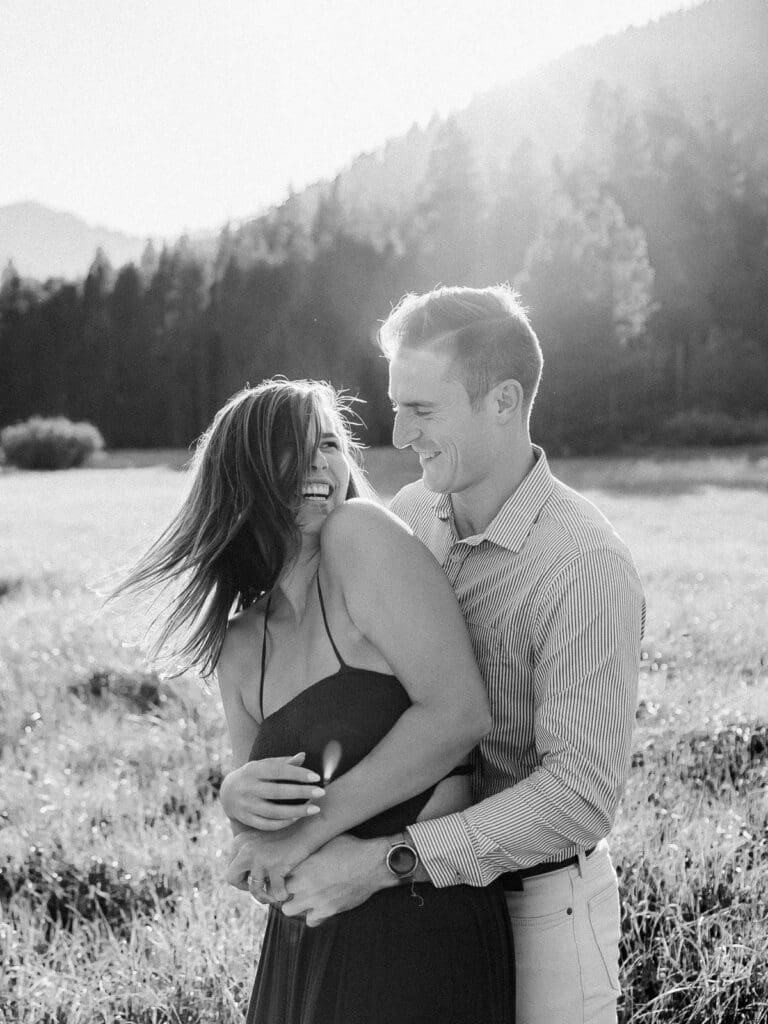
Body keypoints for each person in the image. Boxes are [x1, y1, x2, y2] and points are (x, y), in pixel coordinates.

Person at [222, 287, 645, 1024]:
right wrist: (239, 795)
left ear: (504, 401)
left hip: (542, 903)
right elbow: (318, 673)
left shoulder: (583, 563)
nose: (397, 432)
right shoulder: (406, 519)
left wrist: (385, 862)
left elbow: (578, 796)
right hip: (413, 906)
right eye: (395, 405)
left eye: (422, 409)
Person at [116, 377, 514, 1024]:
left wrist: (309, 830)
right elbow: (262, 842)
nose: (317, 464)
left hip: (419, 931)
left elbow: (459, 714)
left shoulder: (360, 537)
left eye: (328, 443)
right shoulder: (241, 646)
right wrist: (236, 803)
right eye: (289, 448)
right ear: (241, 475)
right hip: (304, 944)